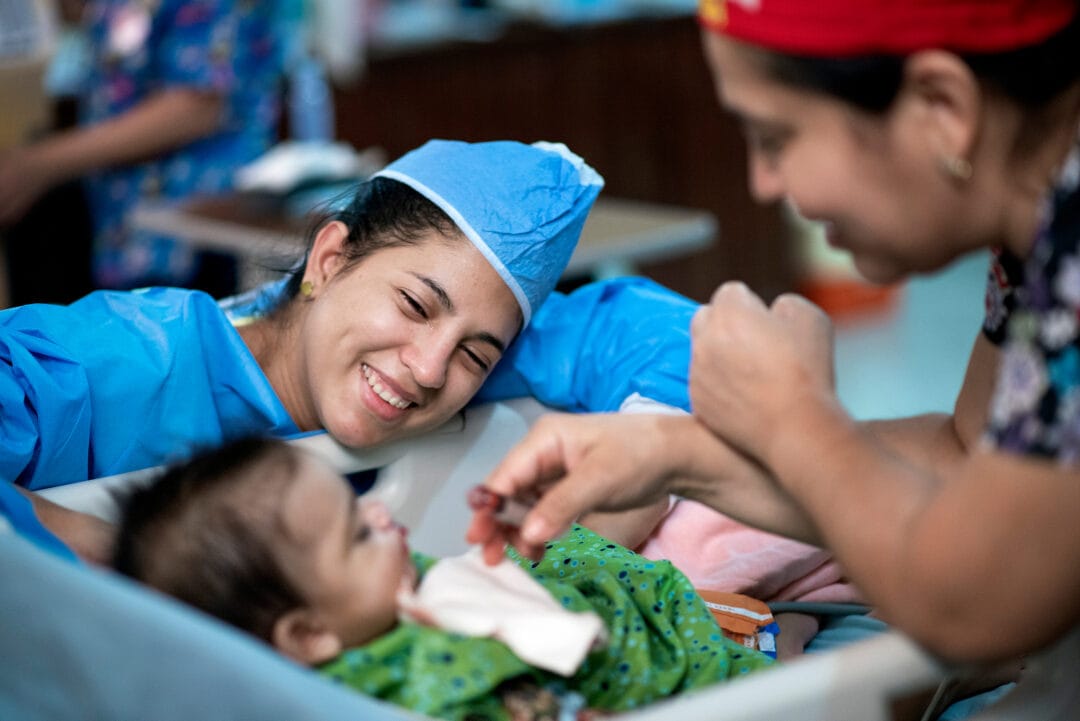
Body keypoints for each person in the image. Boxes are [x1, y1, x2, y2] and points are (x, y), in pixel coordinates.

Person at [468, 0, 1080, 668]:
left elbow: (980, 598)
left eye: (776, 137)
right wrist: (675, 456)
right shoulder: (1036, 237)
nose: (764, 184)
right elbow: (969, 458)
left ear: (944, 108)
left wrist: (793, 416)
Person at [0, 138, 693, 564]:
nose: (427, 370)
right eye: (416, 304)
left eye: (476, 355)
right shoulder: (111, 364)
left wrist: (638, 467)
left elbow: (653, 330)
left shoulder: (447, 364)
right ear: (330, 259)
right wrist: (112, 547)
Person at [111, 436, 772, 721]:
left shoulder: (361, 609)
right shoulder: (424, 685)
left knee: (581, 536)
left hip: (564, 591)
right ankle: (782, 640)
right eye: (358, 532)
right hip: (666, 675)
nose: (379, 513)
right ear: (310, 633)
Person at [0, 0, 289, 303]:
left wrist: (39, 163)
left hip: (196, 229)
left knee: (190, 338)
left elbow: (195, 106)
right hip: (123, 228)